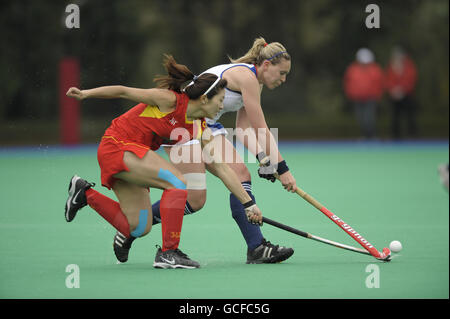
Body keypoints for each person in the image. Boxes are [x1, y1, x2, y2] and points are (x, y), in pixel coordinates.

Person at [64, 55, 263, 269]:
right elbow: (123, 91)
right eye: (220, 100)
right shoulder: (170, 100)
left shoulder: (200, 127)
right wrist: (86, 94)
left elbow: (223, 169)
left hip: (133, 156)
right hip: (117, 145)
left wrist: (249, 204)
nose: (222, 106)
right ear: (205, 98)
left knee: (139, 227)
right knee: (176, 182)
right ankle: (169, 253)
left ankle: (85, 194)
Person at [117, 37, 297, 265]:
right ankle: (129, 226)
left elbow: (243, 129)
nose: (283, 79)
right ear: (266, 65)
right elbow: (261, 128)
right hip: (183, 125)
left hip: (205, 126)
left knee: (240, 175)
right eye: (281, 73)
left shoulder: (254, 81)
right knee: (194, 198)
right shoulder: (247, 78)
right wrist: (283, 169)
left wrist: (263, 158)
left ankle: (257, 248)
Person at [343, 48, 384, 140]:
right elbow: (348, 83)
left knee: (369, 117)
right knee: (360, 118)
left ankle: (372, 136)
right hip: (357, 98)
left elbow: (379, 84)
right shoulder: (353, 69)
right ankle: (365, 136)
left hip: (370, 98)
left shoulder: (375, 69)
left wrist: (377, 95)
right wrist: (350, 94)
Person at [385, 46, 418, 140]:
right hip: (394, 95)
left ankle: (412, 135)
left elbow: (411, 79)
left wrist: (402, 90)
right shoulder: (391, 66)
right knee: (395, 116)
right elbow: (388, 80)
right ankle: (395, 136)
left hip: (407, 94)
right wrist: (393, 90)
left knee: (410, 115)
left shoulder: (409, 66)